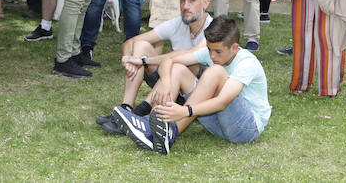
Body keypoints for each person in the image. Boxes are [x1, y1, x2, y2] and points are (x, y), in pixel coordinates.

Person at [114, 16, 270, 154]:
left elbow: (222, 102)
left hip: (246, 129)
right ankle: (156, 126)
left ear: (235, 47)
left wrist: (184, 110)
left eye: (218, 51)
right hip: (219, 124)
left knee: (215, 71)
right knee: (177, 69)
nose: (212, 55)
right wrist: (166, 81)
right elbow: (170, 60)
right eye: (209, 49)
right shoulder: (212, 52)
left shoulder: (247, 63)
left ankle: (170, 131)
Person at [96, 0, 212, 134]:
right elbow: (131, 42)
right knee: (140, 46)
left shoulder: (214, 28)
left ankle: (136, 114)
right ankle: (126, 107)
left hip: (194, 94)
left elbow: (185, 56)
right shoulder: (178, 23)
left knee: (179, 64)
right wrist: (127, 59)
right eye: (182, 1)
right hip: (169, 87)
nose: (185, 6)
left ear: (206, 3)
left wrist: (143, 61)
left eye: (192, 1)